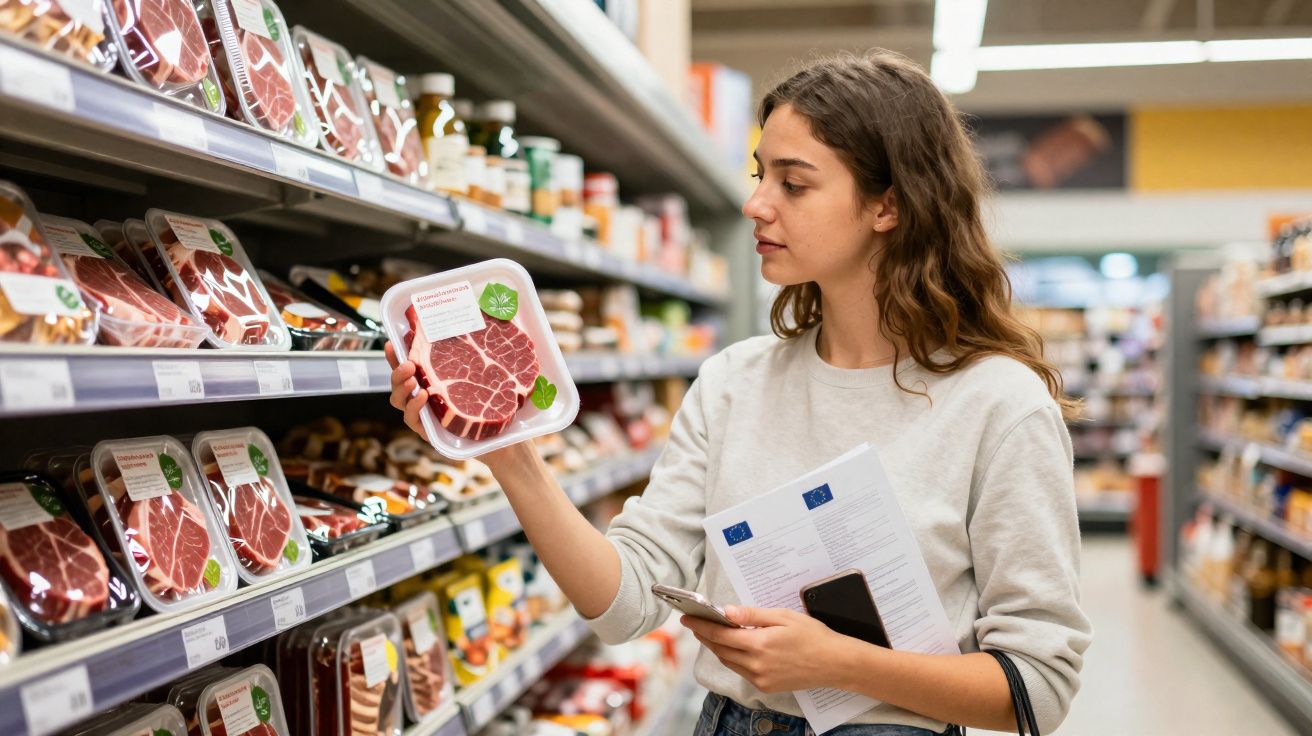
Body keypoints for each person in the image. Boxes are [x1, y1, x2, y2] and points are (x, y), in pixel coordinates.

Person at [386, 49, 1091, 736]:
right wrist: (511, 454)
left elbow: (1038, 688)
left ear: (888, 206)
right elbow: (624, 604)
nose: (755, 204)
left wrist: (839, 662)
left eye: (794, 182)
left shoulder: (999, 404)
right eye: (760, 175)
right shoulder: (734, 382)